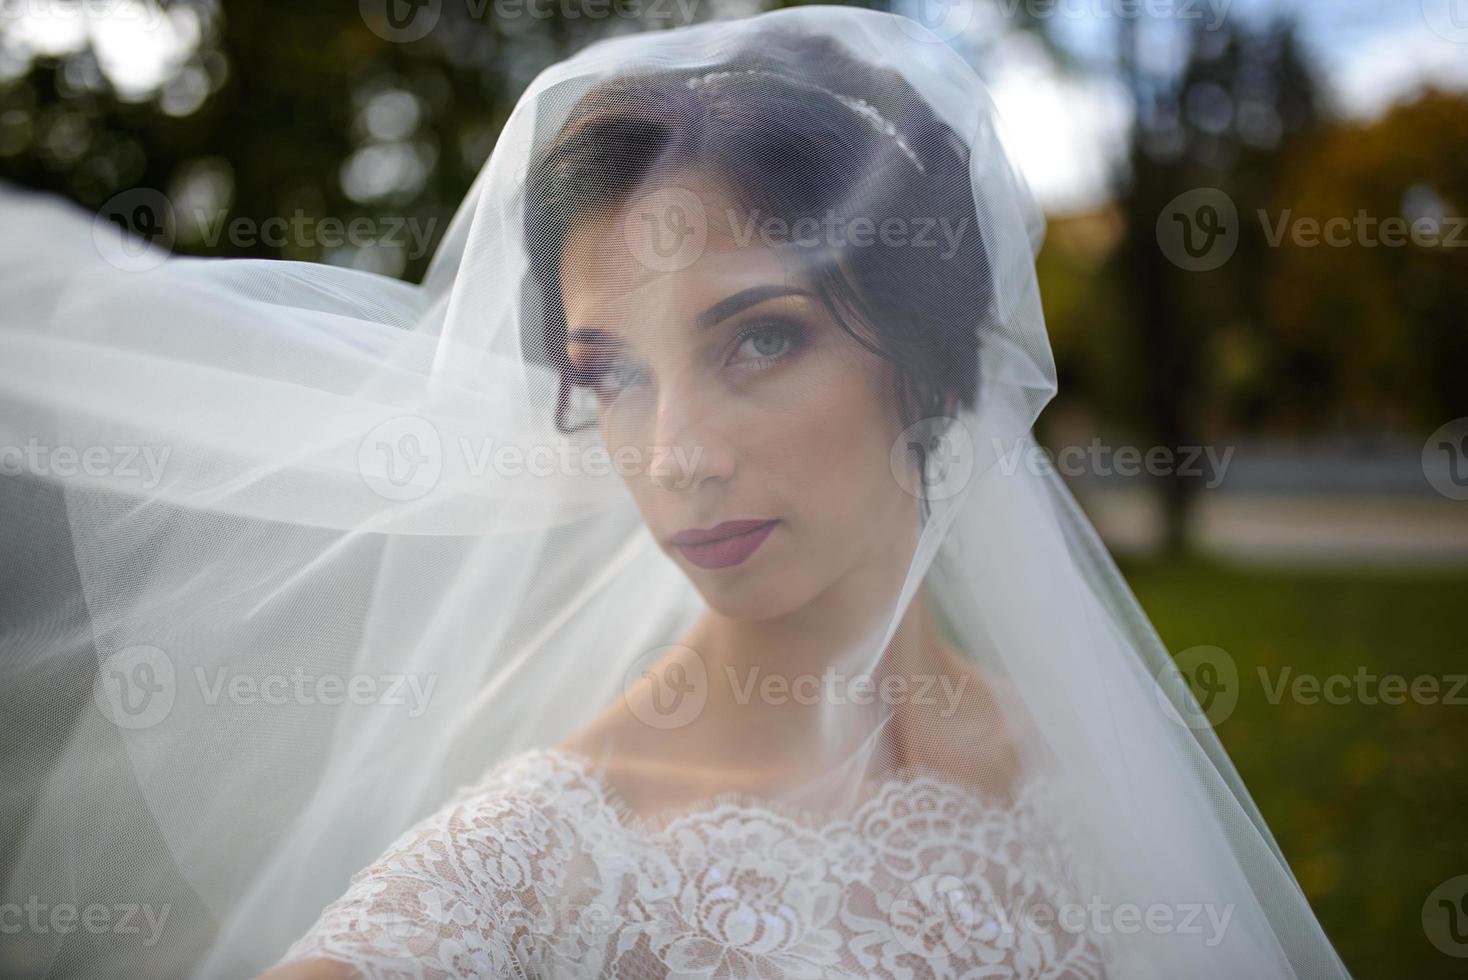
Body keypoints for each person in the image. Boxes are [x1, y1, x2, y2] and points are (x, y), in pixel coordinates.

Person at [0, 6, 1350, 980]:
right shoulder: (538, 859)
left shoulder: (1075, 758)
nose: (675, 453)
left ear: (930, 360)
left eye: (759, 337)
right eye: (614, 375)